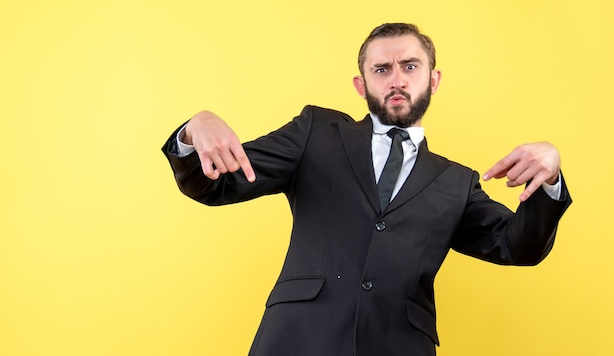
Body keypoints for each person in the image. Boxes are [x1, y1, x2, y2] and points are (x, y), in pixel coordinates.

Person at [162, 23, 571, 356]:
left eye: (410, 67)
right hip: (299, 340)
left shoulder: (456, 182)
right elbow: (217, 184)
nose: (397, 80)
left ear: (434, 79)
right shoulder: (316, 133)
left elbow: (519, 247)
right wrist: (193, 130)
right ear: (361, 85)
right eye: (382, 70)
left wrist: (549, 178)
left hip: (399, 344)